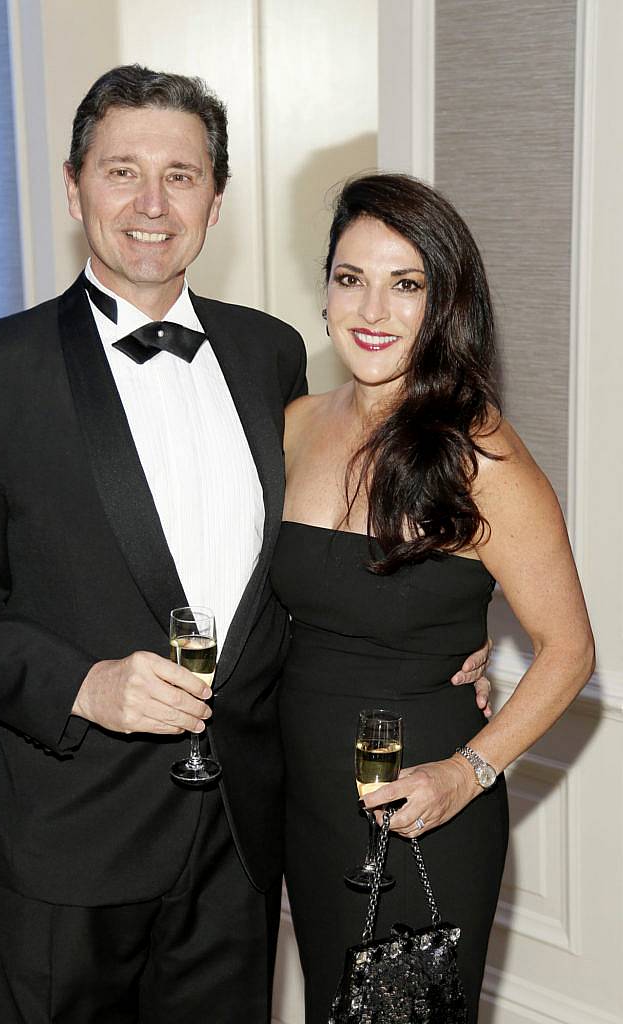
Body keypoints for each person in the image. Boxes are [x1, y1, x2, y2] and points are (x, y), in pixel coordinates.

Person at [0, 67, 491, 1022]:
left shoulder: (270, 354)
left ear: (216, 200)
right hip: (71, 833)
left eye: (180, 175)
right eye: (120, 170)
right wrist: (83, 684)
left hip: (242, 832)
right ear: (73, 184)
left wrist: (430, 647)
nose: (149, 203)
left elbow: (316, 559)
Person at [272, 173, 595, 1023]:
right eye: (351, 278)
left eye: (405, 283)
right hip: (303, 794)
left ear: (443, 302)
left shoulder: (479, 455)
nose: (372, 308)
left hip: (421, 801)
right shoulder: (296, 424)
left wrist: (468, 770)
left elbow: (568, 649)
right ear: (326, 291)